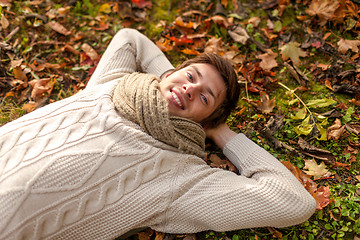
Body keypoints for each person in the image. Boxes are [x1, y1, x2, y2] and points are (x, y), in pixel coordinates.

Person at [0, 28, 316, 240]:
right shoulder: (114, 85)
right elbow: (130, 39)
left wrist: (224, 135)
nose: (190, 88)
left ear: (205, 122)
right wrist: (169, 79)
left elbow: (293, 202)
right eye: (190, 76)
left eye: (205, 97)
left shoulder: (183, 177)